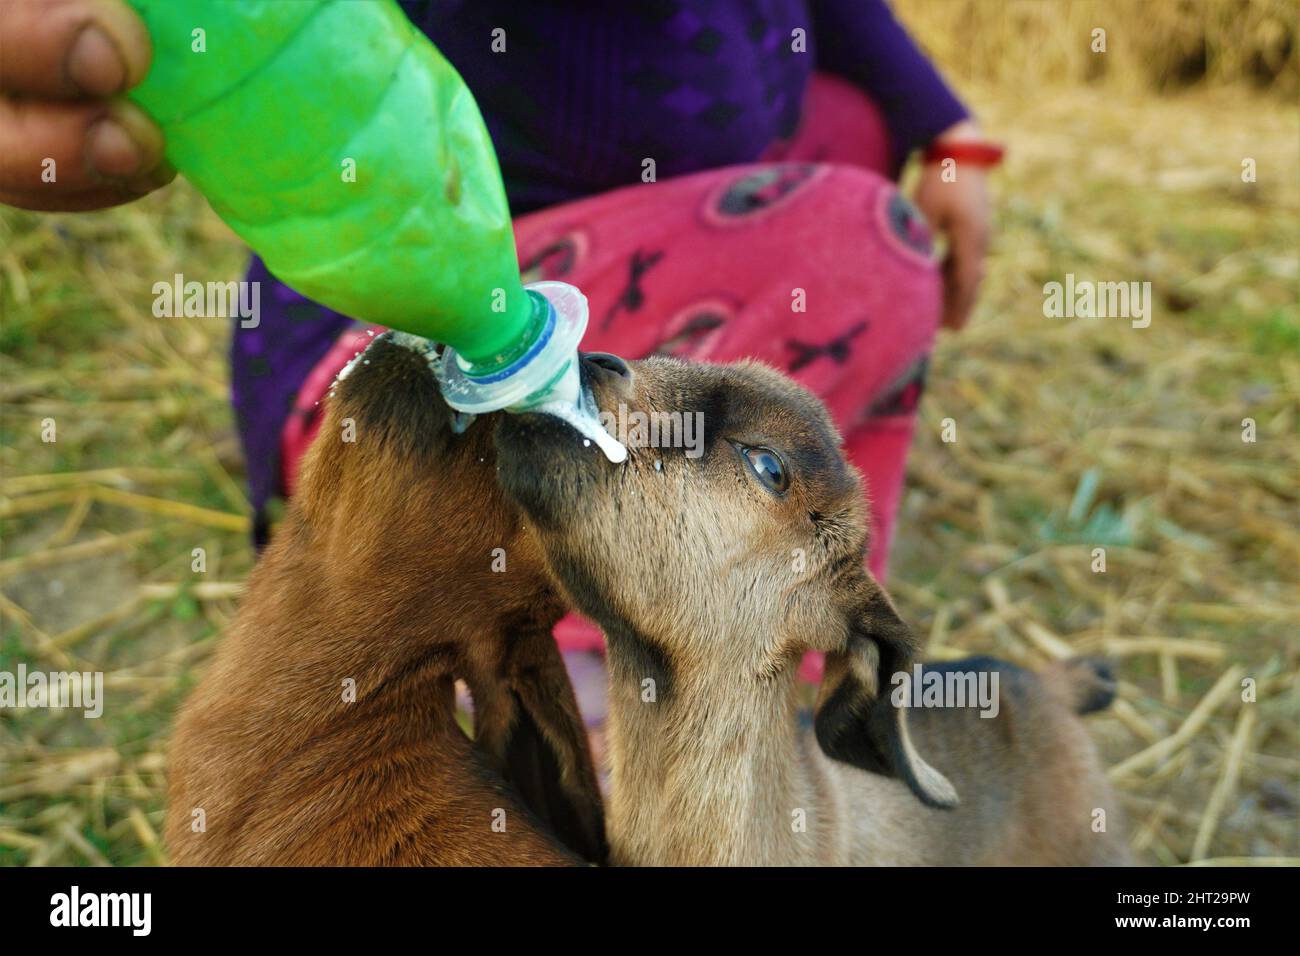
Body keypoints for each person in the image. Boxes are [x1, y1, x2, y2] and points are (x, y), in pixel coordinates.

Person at [0, 0, 999, 693]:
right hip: (397, 367)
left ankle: (746, 616)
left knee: (851, 123)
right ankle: (561, 657)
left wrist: (943, 127)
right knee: (862, 251)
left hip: (587, 279)